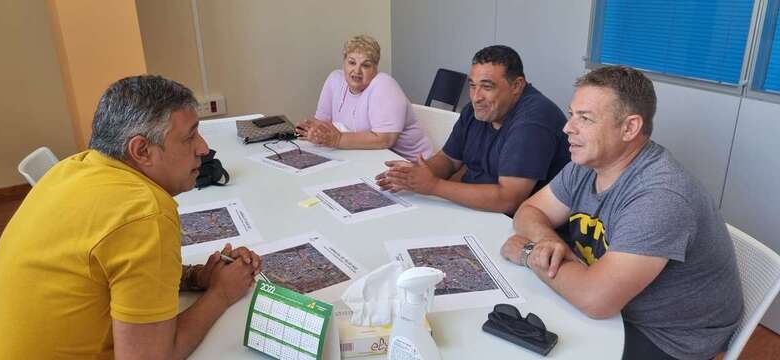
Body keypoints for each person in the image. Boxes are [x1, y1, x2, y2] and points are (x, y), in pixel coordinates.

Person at [0, 75, 262, 359]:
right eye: (189, 137)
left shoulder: (72, 169)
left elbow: (114, 270)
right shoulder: (144, 213)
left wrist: (197, 276)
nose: (203, 148)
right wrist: (220, 294)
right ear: (142, 150)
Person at [501, 66, 743, 360]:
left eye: (585, 118)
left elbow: (596, 300)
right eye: (572, 114)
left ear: (629, 128)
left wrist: (529, 254)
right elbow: (530, 210)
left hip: (666, 337)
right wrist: (546, 241)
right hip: (612, 304)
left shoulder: (661, 196)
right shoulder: (587, 163)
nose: (568, 128)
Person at [376, 45, 570, 214]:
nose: (476, 97)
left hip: (512, 221)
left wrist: (433, 185)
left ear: (517, 86)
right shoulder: (478, 109)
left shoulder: (533, 122)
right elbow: (448, 160)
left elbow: (508, 200)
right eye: (472, 85)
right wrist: (415, 174)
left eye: (487, 87)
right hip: (474, 208)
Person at [296, 34, 432, 161]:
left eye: (366, 65)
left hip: (411, 164)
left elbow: (385, 140)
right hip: (366, 158)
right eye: (352, 62)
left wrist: (338, 139)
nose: (357, 71)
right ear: (344, 63)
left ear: (375, 68)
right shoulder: (334, 80)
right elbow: (322, 123)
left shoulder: (384, 85)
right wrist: (312, 131)